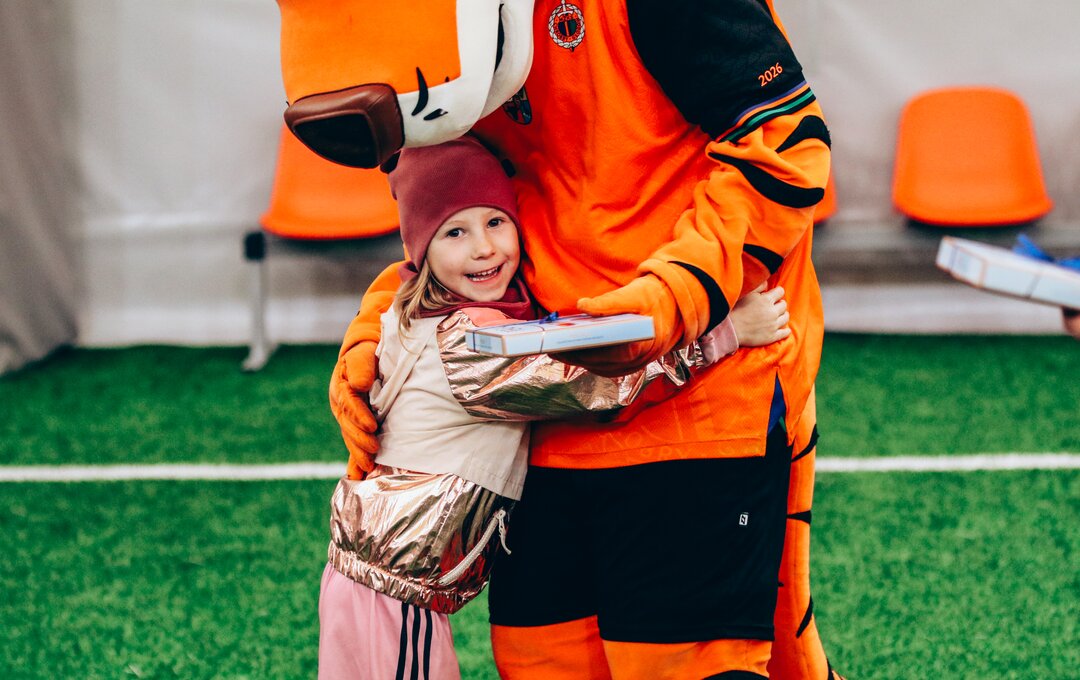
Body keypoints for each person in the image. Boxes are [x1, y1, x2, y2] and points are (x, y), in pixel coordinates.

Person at [317, 136, 793, 679]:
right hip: (390, 593)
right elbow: (595, 385)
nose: (483, 248)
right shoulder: (472, 345)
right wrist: (722, 335)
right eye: (454, 232)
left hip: (376, 584)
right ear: (420, 251)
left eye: (495, 222)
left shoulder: (421, 314)